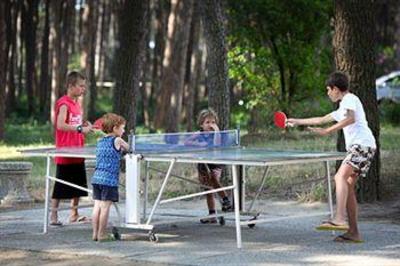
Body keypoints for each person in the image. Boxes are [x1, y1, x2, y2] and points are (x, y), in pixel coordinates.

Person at [287, 71, 376, 243]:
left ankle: (339, 219)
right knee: (348, 187)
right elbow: (320, 119)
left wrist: (328, 131)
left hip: (362, 146)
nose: (328, 93)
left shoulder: (349, 98)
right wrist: (296, 121)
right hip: (363, 147)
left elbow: (351, 119)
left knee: (339, 176)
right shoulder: (343, 106)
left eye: (328, 90)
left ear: (336, 89)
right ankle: (353, 233)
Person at [51, 71, 93, 226]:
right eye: (81, 86)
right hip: (65, 151)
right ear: (71, 86)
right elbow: (60, 125)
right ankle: (53, 217)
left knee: (78, 184)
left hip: (78, 150)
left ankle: (74, 214)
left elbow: (74, 125)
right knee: (60, 185)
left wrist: (84, 126)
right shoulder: (63, 103)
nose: (83, 89)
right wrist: (80, 129)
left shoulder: (77, 104)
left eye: (84, 86)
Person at [185, 108, 233, 224]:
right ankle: (212, 215)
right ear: (201, 124)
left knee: (214, 179)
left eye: (213, 122)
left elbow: (216, 144)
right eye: (207, 122)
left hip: (215, 163)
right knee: (208, 191)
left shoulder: (217, 134)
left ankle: (226, 200)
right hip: (203, 164)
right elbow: (186, 142)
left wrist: (216, 131)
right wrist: (197, 143)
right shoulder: (199, 133)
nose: (210, 125)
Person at [91, 113, 129, 241]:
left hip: (96, 178)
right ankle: (102, 234)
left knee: (97, 207)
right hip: (109, 180)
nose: (124, 130)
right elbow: (129, 148)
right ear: (115, 128)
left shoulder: (100, 141)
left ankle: (95, 234)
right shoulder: (117, 140)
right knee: (105, 207)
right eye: (122, 128)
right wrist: (123, 150)